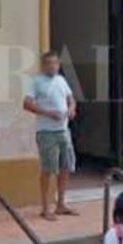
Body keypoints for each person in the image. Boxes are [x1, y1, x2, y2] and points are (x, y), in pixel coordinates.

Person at [23, 50, 78, 221]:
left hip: (63, 131)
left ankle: (60, 204)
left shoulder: (61, 80)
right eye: (49, 64)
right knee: (48, 170)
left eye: (55, 63)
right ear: (43, 65)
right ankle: (45, 208)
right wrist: (48, 113)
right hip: (46, 132)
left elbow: (71, 99)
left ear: (58, 65)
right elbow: (27, 104)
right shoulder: (36, 82)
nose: (52, 66)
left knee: (65, 168)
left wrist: (71, 109)